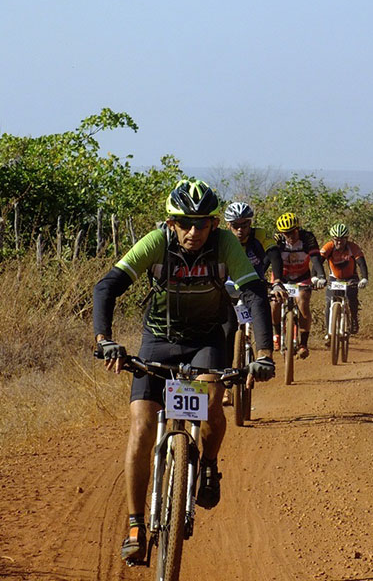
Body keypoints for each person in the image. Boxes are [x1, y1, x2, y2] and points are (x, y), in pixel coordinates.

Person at [92, 179, 276, 562]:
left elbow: (254, 292)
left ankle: (208, 463)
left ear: (213, 222)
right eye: (184, 223)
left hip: (206, 339)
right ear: (171, 222)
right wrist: (103, 339)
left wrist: (263, 353)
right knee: (142, 425)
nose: (194, 232)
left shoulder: (225, 244)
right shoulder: (156, 242)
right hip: (158, 338)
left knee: (211, 403)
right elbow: (107, 286)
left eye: (203, 223)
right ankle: (135, 522)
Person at [221, 201, 287, 405]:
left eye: (245, 225)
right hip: (228, 286)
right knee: (227, 330)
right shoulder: (222, 240)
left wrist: (277, 282)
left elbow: (274, 254)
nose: (240, 230)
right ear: (228, 225)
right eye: (235, 225)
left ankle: (264, 356)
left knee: (261, 309)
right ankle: (224, 385)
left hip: (254, 285)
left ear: (251, 223)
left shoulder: (260, 235)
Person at [272, 212, 326, 359]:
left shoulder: (307, 238)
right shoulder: (278, 241)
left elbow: (315, 258)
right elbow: (269, 260)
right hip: (281, 277)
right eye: (286, 233)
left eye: (293, 231)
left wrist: (321, 276)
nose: (290, 236)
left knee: (302, 301)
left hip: (302, 277)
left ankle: (303, 343)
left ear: (298, 228)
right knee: (274, 303)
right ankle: (276, 334)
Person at [320, 223, 369, 344]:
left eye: (342, 239)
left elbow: (361, 263)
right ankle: (328, 332)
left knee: (351, 298)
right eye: (336, 240)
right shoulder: (328, 247)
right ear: (332, 239)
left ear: (346, 239)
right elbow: (318, 262)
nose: (339, 242)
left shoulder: (353, 247)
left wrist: (364, 278)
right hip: (334, 278)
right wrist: (317, 278)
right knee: (329, 302)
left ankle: (353, 320)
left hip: (350, 278)